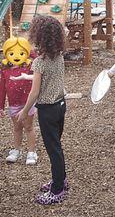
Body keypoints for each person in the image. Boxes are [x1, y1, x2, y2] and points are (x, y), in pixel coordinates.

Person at [17, 15, 68, 205]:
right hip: (61, 106)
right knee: (57, 146)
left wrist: (24, 111)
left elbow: (35, 92)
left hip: (47, 110)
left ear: (39, 37)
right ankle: (61, 180)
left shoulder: (39, 62)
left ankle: (57, 190)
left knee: (53, 149)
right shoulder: (59, 56)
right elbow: (50, 80)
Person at [0, 37, 37, 165]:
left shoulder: (29, 66)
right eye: (12, 53)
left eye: (21, 52)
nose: (16, 56)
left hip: (27, 102)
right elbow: (2, 89)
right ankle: (16, 150)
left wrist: (26, 46)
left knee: (28, 127)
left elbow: (36, 56)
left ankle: (32, 152)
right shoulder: (5, 70)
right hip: (13, 104)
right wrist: (1, 106)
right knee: (16, 128)